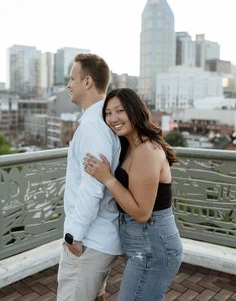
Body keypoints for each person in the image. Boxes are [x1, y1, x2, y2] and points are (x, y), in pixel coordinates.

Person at [83, 88, 183, 301]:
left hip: (152, 247)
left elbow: (141, 214)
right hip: (142, 245)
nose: (113, 118)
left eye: (120, 111)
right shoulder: (130, 146)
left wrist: (107, 178)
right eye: (108, 113)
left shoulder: (147, 150)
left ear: (135, 111)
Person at [57, 54, 122, 301]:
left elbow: (92, 186)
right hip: (99, 237)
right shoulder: (100, 121)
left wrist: (74, 235)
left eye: (72, 78)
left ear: (87, 82)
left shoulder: (93, 126)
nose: (68, 84)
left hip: (88, 241)